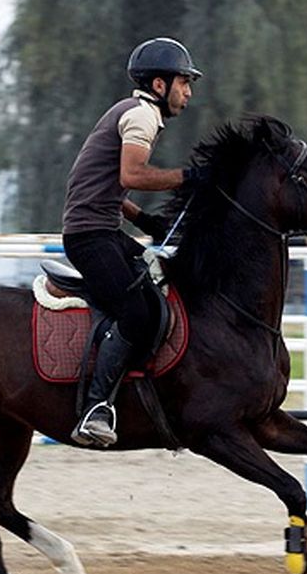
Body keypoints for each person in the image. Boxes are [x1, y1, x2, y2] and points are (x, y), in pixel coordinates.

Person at [60, 37, 204, 447]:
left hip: (103, 232)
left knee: (163, 283)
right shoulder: (141, 116)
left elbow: (104, 185)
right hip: (91, 238)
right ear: (159, 85)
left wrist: (146, 221)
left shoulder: (132, 113)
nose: (188, 92)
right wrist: (188, 177)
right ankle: (95, 408)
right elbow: (132, 177)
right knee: (137, 315)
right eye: (184, 82)